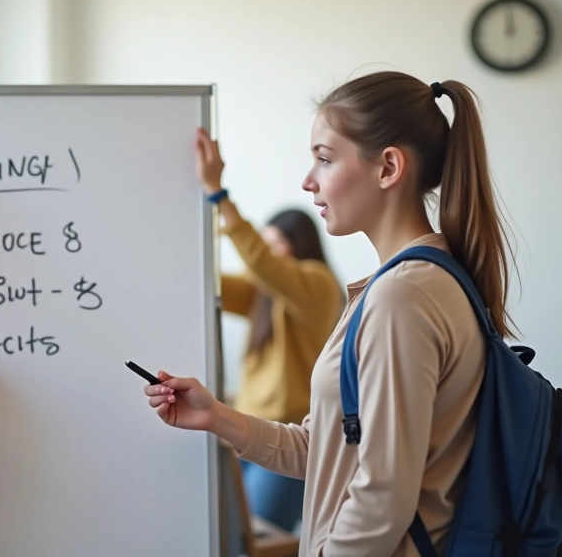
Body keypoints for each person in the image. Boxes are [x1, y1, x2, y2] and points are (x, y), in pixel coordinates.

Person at [143, 72, 517, 555]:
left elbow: (381, 499)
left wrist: (219, 198)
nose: (308, 180)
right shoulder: (412, 284)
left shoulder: (405, 297)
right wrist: (217, 417)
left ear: (387, 168)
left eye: (324, 158)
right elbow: (332, 449)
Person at [206, 147, 342, 532]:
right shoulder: (261, 296)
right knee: (234, 538)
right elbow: (208, 281)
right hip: (243, 432)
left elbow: (261, 262)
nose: (266, 255)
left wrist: (220, 197)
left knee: (259, 540)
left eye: (275, 244)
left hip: (290, 438)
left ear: (298, 246)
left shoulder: (318, 284)